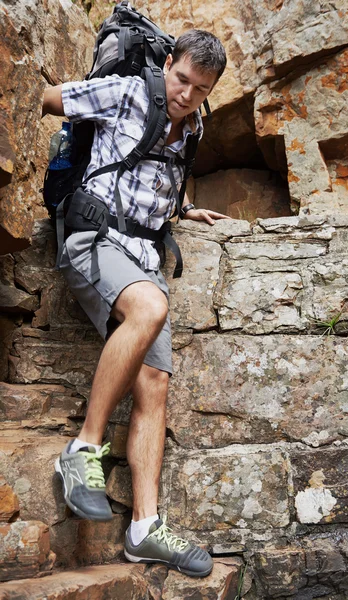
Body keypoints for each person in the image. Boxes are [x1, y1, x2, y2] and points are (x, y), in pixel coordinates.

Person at [42, 29, 228, 578]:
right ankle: (82, 451)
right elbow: (49, 100)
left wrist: (185, 208)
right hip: (92, 239)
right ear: (167, 64)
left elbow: (160, 174)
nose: (186, 95)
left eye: (200, 89)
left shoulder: (194, 125)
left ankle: (145, 528)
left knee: (156, 381)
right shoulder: (125, 92)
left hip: (142, 254)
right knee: (150, 308)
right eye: (181, 79)